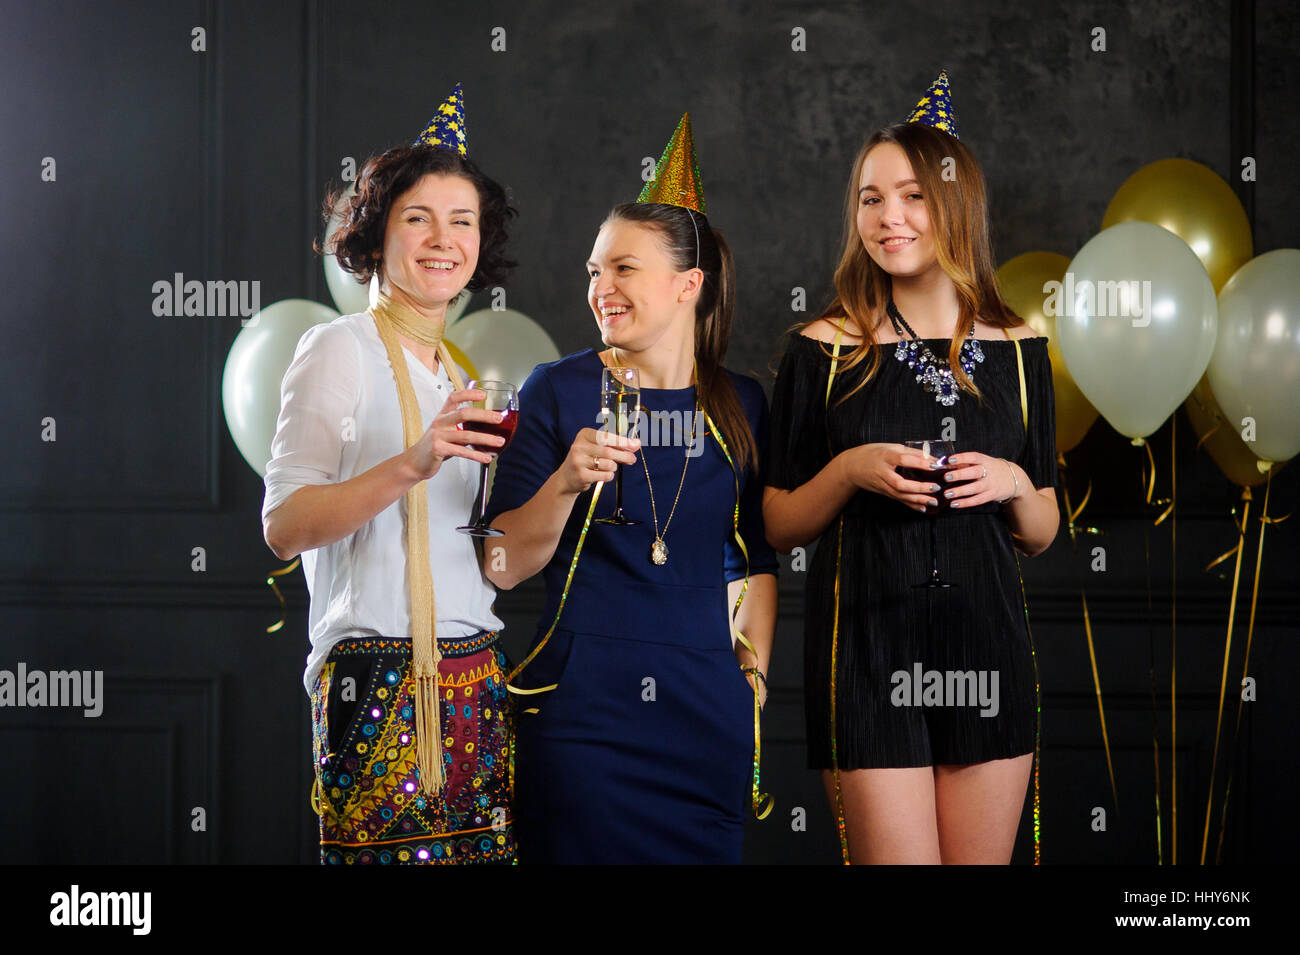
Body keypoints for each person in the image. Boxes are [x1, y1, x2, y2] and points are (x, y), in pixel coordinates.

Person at [762, 73, 1060, 864]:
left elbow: (1043, 530)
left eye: (912, 196)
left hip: (986, 644)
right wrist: (850, 468)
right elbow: (778, 522)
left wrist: (1015, 483)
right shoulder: (822, 348)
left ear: (955, 205)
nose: (888, 217)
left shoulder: (1023, 347)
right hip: (864, 648)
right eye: (870, 198)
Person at [482, 114, 779, 864]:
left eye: (622, 269)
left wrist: (753, 680)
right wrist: (565, 482)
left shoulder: (739, 405)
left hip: (703, 714)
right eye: (593, 270)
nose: (600, 288)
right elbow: (501, 563)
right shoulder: (556, 388)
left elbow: (755, 559)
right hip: (581, 716)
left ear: (688, 285)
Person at [261, 85, 521, 864]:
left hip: (476, 680)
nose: (444, 239)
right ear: (376, 237)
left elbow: (485, 559)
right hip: (374, 682)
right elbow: (284, 526)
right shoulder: (339, 347)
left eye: (462, 221)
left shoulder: (461, 374)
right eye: (419, 218)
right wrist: (412, 461)